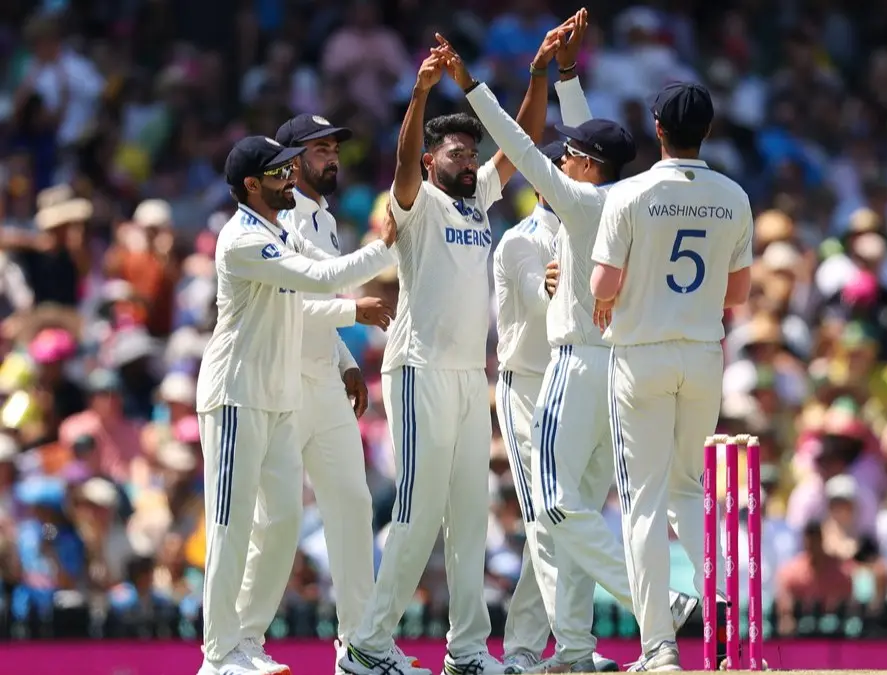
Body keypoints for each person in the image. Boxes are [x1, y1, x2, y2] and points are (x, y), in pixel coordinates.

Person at [438, 19, 700, 667]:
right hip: (623, 371)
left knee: (557, 511)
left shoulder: (580, 205)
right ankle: (576, 645)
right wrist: (566, 77)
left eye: (569, 155)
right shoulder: (635, 199)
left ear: (582, 166)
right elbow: (593, 146)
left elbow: (516, 143)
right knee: (576, 511)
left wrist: (469, 83)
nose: (556, 158)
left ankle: (650, 608)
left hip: (571, 368)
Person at [340, 23, 574, 675]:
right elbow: (403, 160)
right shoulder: (415, 204)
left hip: (473, 377)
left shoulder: (479, 204)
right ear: (430, 161)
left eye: (471, 152)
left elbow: (521, 144)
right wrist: (418, 98)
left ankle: (468, 650)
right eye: (456, 153)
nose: (468, 161)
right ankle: (368, 643)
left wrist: (536, 78)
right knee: (416, 510)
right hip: (418, 371)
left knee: (470, 516)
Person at [196, 135, 397, 675]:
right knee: (230, 524)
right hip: (236, 394)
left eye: (291, 168)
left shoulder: (280, 230)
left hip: (279, 397)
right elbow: (325, 280)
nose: (292, 178)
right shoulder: (241, 239)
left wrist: (342, 354)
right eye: (280, 171)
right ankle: (219, 656)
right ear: (252, 185)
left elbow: (320, 288)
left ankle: (247, 643)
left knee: (282, 522)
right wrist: (388, 245)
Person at [589, 82, 753, 670]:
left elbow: (602, 289)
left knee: (642, 502)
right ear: (706, 130)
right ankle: (727, 607)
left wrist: (621, 289)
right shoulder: (733, 196)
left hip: (640, 353)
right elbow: (737, 294)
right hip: (703, 353)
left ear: (657, 127)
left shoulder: (630, 194)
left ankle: (658, 646)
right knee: (690, 491)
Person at [492, 139, 616, 673]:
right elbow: (536, 290)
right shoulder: (521, 240)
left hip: (580, 385)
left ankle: (542, 647)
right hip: (528, 386)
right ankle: (564, 650)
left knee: (572, 516)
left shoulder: (596, 219)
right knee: (549, 519)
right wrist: (551, 284)